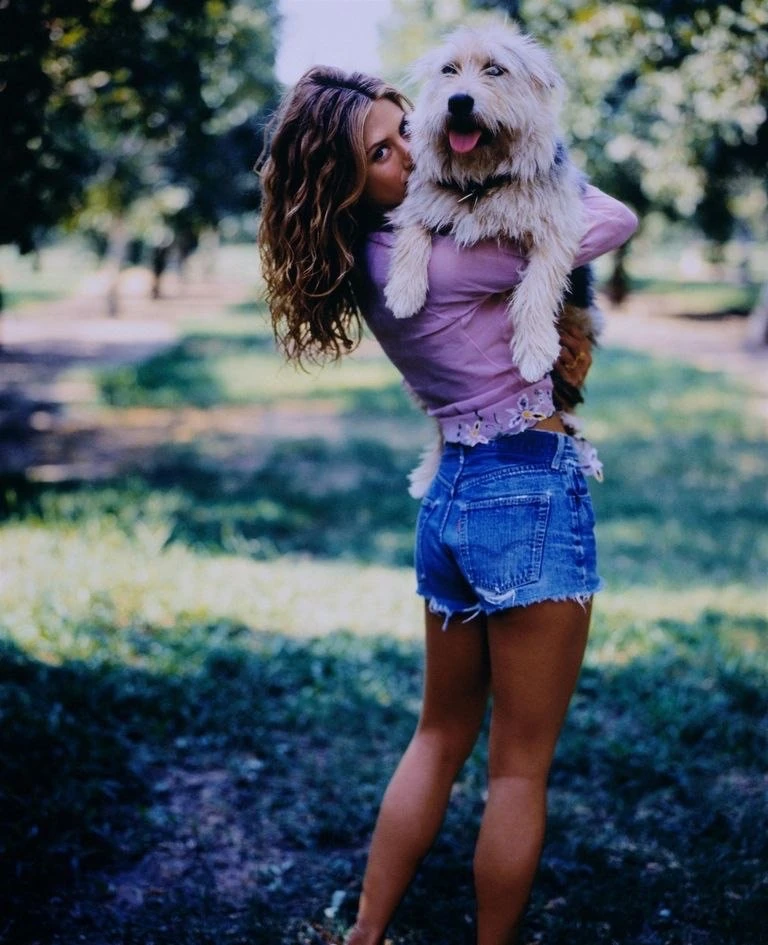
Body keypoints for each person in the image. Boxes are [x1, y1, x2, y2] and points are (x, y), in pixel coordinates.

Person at [258, 66, 638, 945]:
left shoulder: (369, 259)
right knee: (517, 770)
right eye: (381, 152)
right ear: (346, 180)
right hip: (527, 489)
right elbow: (611, 218)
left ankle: (365, 933)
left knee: (437, 736)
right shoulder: (460, 251)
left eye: (406, 127)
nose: (410, 152)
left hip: (449, 497)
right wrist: (527, 150)